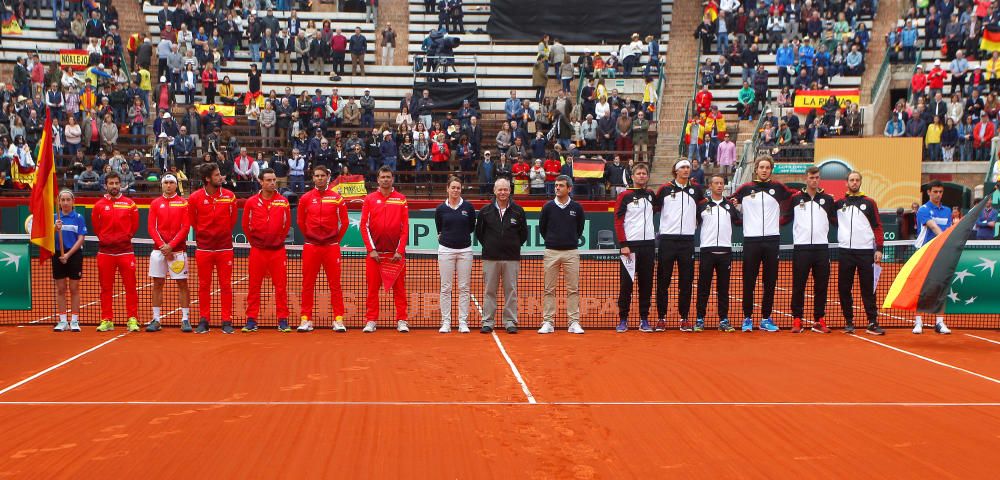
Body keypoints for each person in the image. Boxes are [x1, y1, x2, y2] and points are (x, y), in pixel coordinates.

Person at [731, 156, 795, 332]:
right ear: (756, 170)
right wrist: (738, 214)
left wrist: (782, 220)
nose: (764, 170)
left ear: (771, 170)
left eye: (767, 167)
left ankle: (766, 318)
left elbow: (795, 197)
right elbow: (730, 203)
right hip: (751, 240)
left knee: (770, 281)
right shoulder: (745, 188)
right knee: (749, 281)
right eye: (761, 167)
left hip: (772, 240)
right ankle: (747, 318)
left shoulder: (778, 188)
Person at [297, 165, 350, 332]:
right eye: (316, 176)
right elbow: (300, 221)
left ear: (328, 176)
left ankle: (338, 319)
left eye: (322, 175)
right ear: (313, 178)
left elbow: (345, 222)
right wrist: (310, 237)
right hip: (311, 247)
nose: (319, 178)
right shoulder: (305, 198)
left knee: (335, 284)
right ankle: (306, 319)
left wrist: (335, 240)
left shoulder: (337, 198)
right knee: (307, 284)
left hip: (331, 247)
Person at [653, 159, 703, 332]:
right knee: (663, 281)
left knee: (686, 282)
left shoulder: (696, 190)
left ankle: (684, 318)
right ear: (675, 170)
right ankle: (661, 318)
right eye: (682, 167)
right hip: (667, 240)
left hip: (687, 241)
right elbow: (653, 208)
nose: (686, 170)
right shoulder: (664, 189)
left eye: (688, 167)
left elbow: (703, 210)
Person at [188, 162, 238, 334]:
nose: (220, 177)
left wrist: (222, 234)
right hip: (204, 249)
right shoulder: (194, 198)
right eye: (217, 175)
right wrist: (205, 234)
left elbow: (232, 221)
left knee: (226, 285)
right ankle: (204, 319)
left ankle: (226, 320)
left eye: (220, 174)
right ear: (207, 179)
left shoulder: (230, 196)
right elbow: (193, 222)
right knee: (204, 285)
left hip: (224, 248)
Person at [240, 168, 292, 333]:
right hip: (258, 251)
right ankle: (251, 319)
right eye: (268, 180)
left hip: (277, 251)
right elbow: (245, 226)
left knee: (281, 287)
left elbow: (286, 225)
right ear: (260, 182)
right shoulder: (251, 202)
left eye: (274, 180)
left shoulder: (283, 201)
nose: (272, 183)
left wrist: (278, 240)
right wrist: (255, 242)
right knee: (254, 286)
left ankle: (282, 319)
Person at [835, 172, 885, 336]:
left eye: (857, 180)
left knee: (868, 289)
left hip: (865, 252)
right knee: (844, 288)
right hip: (845, 252)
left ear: (861, 182)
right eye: (851, 180)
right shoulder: (839, 203)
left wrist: (879, 249)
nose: (854, 183)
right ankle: (849, 322)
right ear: (846, 183)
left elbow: (877, 227)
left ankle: (872, 322)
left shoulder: (870, 203)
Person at [475, 178, 528, 333]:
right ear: (494, 191)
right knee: (489, 290)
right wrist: (490, 245)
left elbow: (523, 234)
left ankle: (510, 321)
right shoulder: (485, 211)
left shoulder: (518, 211)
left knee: (510, 290)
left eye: (505, 189)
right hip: (490, 257)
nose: (503, 192)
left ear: (510, 191)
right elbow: (480, 233)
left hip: (511, 258)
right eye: (500, 189)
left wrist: (513, 246)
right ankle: (488, 321)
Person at [360, 167, 410, 333]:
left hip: (395, 256)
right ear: (378, 179)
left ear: (393, 179)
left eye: (388, 177)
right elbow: (364, 226)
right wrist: (371, 249)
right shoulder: (369, 199)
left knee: (400, 290)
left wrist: (399, 250)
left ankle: (402, 320)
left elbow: (404, 228)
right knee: (372, 289)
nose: (386, 180)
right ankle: (371, 320)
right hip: (375, 256)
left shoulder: (401, 199)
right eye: (383, 177)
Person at [789, 166, 837, 334]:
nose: (814, 180)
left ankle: (819, 319)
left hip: (822, 249)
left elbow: (837, 221)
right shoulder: (795, 199)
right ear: (806, 179)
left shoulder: (828, 200)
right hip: (801, 248)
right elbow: (784, 218)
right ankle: (797, 319)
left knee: (821, 286)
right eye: (811, 177)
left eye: (817, 177)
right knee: (798, 285)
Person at [538, 175, 586, 334]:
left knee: (573, 289)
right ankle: (548, 322)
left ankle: (573, 322)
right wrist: (553, 241)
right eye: (556, 185)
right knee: (549, 289)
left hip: (571, 252)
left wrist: (569, 240)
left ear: (569, 189)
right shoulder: (548, 207)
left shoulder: (577, 208)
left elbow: (579, 229)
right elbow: (542, 228)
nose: (557, 188)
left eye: (561, 186)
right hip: (551, 252)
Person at [92, 172, 140, 332]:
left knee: (131, 287)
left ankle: (132, 319)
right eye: (111, 183)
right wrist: (106, 239)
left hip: (125, 252)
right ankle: (107, 319)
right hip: (105, 253)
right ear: (106, 185)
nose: (114, 186)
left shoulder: (130, 204)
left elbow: (134, 226)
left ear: (120, 184)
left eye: (116, 183)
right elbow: (97, 227)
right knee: (106, 288)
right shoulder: (98, 205)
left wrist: (125, 237)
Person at [146, 175, 191, 332]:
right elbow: (152, 227)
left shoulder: (184, 203)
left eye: (172, 182)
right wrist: (163, 247)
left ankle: (185, 319)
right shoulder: (155, 203)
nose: (169, 185)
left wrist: (171, 246)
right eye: (166, 182)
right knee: (157, 284)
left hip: (178, 251)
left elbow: (185, 227)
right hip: (158, 251)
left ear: (176, 185)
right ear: (162, 185)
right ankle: (156, 319)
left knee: (182, 284)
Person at [614, 163, 655, 332]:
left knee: (646, 285)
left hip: (649, 246)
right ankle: (623, 319)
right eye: (638, 173)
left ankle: (644, 319)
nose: (641, 176)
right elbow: (618, 221)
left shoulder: (651, 194)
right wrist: (623, 244)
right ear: (632, 176)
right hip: (630, 248)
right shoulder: (624, 196)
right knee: (626, 285)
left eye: (644, 173)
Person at [696, 174, 739, 332]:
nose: (719, 186)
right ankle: (700, 319)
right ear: (710, 186)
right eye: (716, 183)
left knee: (723, 288)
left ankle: (724, 319)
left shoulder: (729, 205)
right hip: (707, 251)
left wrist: (739, 205)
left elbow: (738, 221)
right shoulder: (702, 205)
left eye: (722, 183)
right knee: (703, 287)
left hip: (725, 252)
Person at [435, 176, 477, 333]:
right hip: (445, 250)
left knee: (464, 287)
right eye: (453, 187)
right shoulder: (440, 209)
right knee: (446, 287)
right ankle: (446, 322)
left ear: (461, 189)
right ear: (447, 189)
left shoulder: (469, 207)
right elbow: (439, 227)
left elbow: (471, 227)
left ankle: (462, 322)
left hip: (465, 251)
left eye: (458, 188)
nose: (455, 190)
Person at [912, 180, 953, 334]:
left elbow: (948, 230)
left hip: (941, 254)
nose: (938, 195)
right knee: (921, 289)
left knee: (941, 287)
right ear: (929, 192)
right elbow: (935, 228)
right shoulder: (923, 210)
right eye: (935, 192)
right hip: (924, 253)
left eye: (940, 192)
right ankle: (918, 322)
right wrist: (946, 240)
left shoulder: (947, 211)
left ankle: (940, 322)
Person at [52, 190, 87, 332]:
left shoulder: (78, 217)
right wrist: (55, 228)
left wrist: (68, 255)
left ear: (73, 201)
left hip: (74, 255)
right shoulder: (55, 217)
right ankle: (62, 321)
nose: (65, 203)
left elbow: (81, 238)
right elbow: (48, 237)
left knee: (74, 289)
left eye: (68, 200)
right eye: (63, 200)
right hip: (57, 255)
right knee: (60, 289)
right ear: (59, 202)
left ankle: (74, 321)